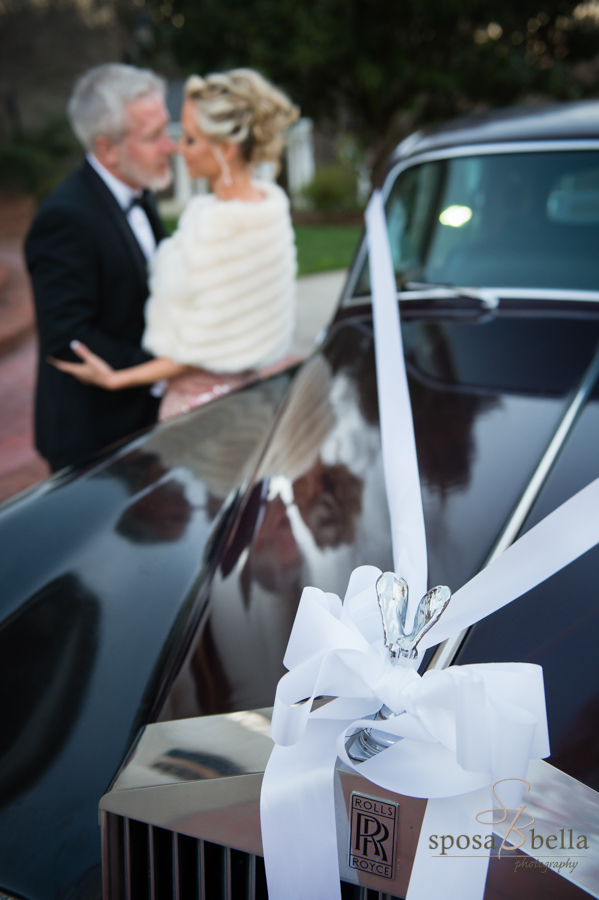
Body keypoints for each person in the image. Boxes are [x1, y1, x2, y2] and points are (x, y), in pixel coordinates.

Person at [51, 69, 299, 421]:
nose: (177, 148)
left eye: (190, 140)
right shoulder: (258, 209)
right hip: (236, 394)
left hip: (202, 409)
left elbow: (198, 350)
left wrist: (119, 378)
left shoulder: (225, 229)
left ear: (226, 150)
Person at [25, 63, 174, 472]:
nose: (170, 146)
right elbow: (67, 336)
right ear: (107, 148)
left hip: (144, 422)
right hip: (96, 440)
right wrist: (167, 367)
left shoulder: (139, 188)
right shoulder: (64, 218)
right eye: (153, 137)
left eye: (167, 129)